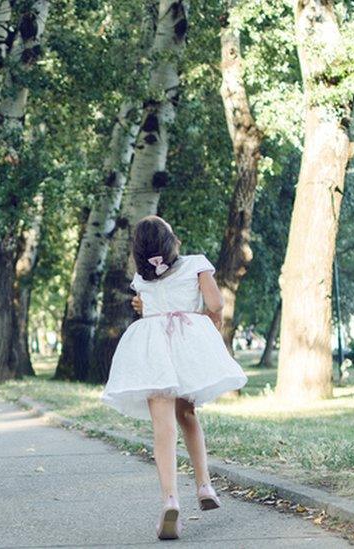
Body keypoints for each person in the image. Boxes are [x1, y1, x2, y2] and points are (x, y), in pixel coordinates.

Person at [102, 216, 247, 540]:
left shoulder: (141, 279)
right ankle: (204, 485)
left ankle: (169, 499)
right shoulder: (197, 264)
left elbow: (147, 308)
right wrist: (215, 320)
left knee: (162, 428)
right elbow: (215, 302)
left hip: (152, 351)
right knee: (188, 415)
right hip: (186, 348)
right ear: (172, 241)